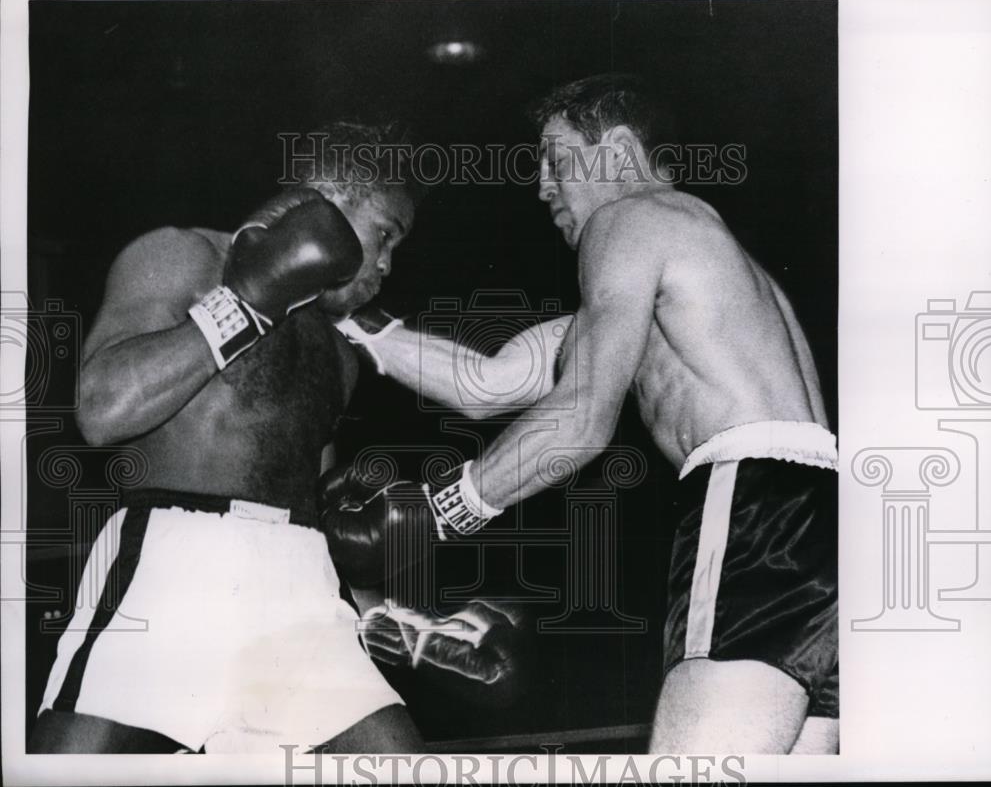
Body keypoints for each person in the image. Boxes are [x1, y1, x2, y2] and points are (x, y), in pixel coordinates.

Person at [327, 74, 839, 754]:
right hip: (830, 527)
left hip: (757, 510)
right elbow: (489, 382)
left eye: (557, 160)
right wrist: (358, 323)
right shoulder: (694, 260)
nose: (542, 187)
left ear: (619, 151)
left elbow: (582, 416)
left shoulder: (629, 219)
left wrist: (439, 510)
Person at [29, 121, 442, 754]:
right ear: (330, 199)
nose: (386, 265)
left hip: (300, 590)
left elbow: (324, 509)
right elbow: (103, 410)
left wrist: (398, 622)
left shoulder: (339, 352)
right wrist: (245, 303)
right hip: (172, 563)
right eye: (384, 234)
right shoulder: (182, 254)